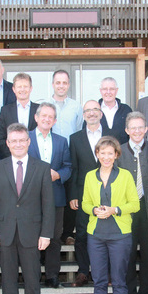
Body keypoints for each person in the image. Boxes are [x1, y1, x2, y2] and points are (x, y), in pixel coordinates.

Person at [0, 123, 55, 294]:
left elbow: (48, 205)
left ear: (28, 142)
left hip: (32, 235)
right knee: (8, 281)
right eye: (13, 140)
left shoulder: (42, 168)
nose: (17, 144)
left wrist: (46, 234)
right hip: (5, 235)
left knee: (33, 280)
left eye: (21, 140)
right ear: (7, 143)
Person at [81, 136, 140, 294]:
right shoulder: (90, 176)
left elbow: (135, 204)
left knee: (119, 281)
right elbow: (85, 203)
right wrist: (94, 210)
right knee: (98, 280)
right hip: (96, 235)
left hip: (120, 235)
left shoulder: (125, 176)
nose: (106, 157)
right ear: (97, 154)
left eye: (110, 153)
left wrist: (115, 209)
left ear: (116, 155)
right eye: (102, 153)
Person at [116, 111, 148, 294]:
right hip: (127, 211)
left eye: (140, 127)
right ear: (127, 130)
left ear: (146, 129)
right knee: (126, 254)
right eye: (132, 128)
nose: (136, 131)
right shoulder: (119, 151)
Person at [27, 103, 72, 288]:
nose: (46, 119)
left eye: (50, 117)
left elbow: (68, 166)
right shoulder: (25, 138)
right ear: (36, 118)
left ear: (54, 121)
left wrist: (59, 174)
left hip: (55, 195)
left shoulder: (62, 141)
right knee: (31, 237)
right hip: (30, 197)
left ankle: (52, 276)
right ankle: (33, 276)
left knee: (54, 237)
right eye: (43, 115)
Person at [68, 100, 112, 287]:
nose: (92, 113)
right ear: (83, 115)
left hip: (108, 192)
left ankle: (104, 272)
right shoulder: (75, 138)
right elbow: (74, 168)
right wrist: (73, 195)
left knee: (107, 233)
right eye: (88, 110)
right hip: (83, 194)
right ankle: (83, 271)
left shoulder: (111, 136)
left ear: (101, 113)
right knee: (82, 234)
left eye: (95, 109)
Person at [46, 69, 83, 245]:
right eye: (58, 82)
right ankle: (51, 232)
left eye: (64, 82)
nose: (61, 86)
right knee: (51, 197)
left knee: (70, 194)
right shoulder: (45, 105)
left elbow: (78, 130)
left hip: (70, 155)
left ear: (68, 85)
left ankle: (67, 233)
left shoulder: (76, 106)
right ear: (53, 84)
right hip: (51, 157)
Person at [0, 73, 40, 159]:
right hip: (11, 160)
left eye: (25, 86)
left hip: (35, 161)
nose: (22, 89)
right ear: (14, 89)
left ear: (31, 88)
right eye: (19, 87)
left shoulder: (39, 110)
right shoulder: (5, 111)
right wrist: (14, 155)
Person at [98, 77, 132, 145]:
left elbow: (132, 134)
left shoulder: (126, 110)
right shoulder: (94, 111)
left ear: (116, 90)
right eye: (105, 89)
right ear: (100, 91)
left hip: (122, 154)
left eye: (111, 89)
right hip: (100, 154)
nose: (108, 92)